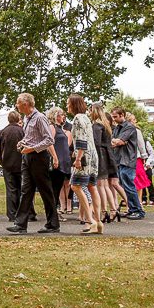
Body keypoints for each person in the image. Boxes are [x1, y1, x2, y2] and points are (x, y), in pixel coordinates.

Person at [8, 92, 60, 234]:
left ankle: (53, 224)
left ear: (25, 104)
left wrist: (32, 148)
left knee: (45, 190)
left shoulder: (40, 118)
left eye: (18, 103)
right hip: (27, 158)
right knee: (26, 190)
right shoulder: (27, 118)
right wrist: (23, 143)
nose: (16, 106)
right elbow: (31, 137)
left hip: (39, 158)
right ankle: (20, 224)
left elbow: (49, 140)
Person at [68, 94, 101, 234]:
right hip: (93, 157)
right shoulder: (86, 118)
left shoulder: (77, 119)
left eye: (68, 103)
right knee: (92, 187)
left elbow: (81, 141)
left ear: (73, 104)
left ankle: (90, 220)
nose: (67, 106)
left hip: (84, 158)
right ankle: (98, 221)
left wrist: (77, 159)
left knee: (75, 186)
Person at [0, 111, 34, 222]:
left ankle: (12, 214)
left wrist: (1, 161)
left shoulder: (2, 132)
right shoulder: (22, 131)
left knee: (11, 190)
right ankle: (29, 213)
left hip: (7, 165)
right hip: (21, 163)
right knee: (25, 189)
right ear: (18, 118)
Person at [110, 107, 145, 220]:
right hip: (120, 160)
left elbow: (119, 141)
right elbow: (114, 141)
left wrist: (118, 141)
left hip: (128, 160)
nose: (114, 119)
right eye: (113, 117)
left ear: (122, 115)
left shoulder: (129, 127)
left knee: (130, 186)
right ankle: (132, 209)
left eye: (115, 117)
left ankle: (138, 210)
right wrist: (117, 141)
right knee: (125, 186)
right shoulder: (117, 128)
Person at [90, 103, 117, 222]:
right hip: (107, 156)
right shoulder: (106, 125)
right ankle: (113, 209)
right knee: (105, 186)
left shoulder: (96, 125)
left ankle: (104, 211)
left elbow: (96, 142)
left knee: (101, 186)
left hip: (100, 156)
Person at [46, 107, 71, 220]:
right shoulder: (52, 127)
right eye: (61, 114)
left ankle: (54, 212)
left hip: (63, 163)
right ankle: (53, 213)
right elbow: (49, 143)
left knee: (57, 187)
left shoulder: (60, 128)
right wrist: (55, 158)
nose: (63, 117)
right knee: (54, 189)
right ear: (56, 115)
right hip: (57, 163)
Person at [127, 112, 154, 206]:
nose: (135, 121)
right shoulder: (124, 130)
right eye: (133, 119)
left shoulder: (136, 131)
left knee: (138, 181)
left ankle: (139, 202)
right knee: (130, 181)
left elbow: (141, 146)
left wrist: (144, 158)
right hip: (128, 158)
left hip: (136, 158)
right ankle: (132, 203)